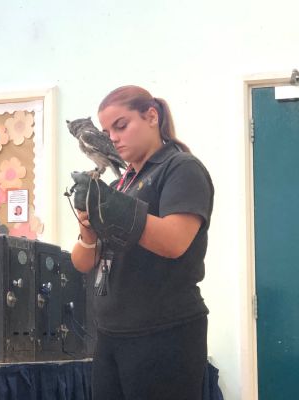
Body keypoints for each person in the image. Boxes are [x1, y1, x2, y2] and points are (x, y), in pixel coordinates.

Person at [70, 85, 214, 400]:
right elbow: (83, 262)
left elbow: (174, 242)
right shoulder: (119, 184)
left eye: (121, 126)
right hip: (111, 333)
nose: (113, 138)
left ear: (151, 116)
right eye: (107, 132)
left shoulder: (180, 168)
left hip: (165, 332)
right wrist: (88, 228)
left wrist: (115, 209)